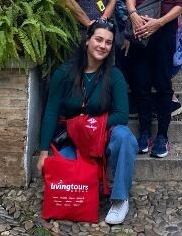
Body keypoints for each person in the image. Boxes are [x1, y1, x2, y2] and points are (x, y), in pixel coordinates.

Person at [36, 20, 137, 226]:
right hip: (72, 138)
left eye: (108, 42)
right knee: (67, 179)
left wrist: (90, 124)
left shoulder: (114, 75)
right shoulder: (64, 73)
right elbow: (51, 112)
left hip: (101, 135)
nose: (103, 46)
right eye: (98, 39)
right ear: (87, 40)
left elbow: (121, 115)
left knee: (125, 137)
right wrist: (43, 153)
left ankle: (120, 200)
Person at [125, 0, 182, 159]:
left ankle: (162, 134)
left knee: (162, 84)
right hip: (141, 31)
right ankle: (144, 132)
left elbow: (180, 4)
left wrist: (158, 23)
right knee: (141, 83)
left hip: (164, 32)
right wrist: (133, 16)